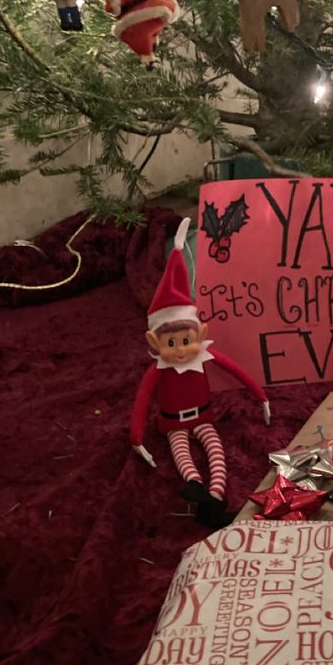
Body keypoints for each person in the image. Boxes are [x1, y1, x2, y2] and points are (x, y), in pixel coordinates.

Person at [130, 218, 270, 527]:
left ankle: (216, 499)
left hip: (204, 417)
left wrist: (261, 398)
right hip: (173, 423)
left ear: (200, 333)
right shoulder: (159, 368)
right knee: (181, 451)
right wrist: (137, 438)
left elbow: (239, 373)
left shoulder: (206, 355)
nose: (179, 350)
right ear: (154, 341)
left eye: (185, 341)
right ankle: (194, 484)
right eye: (171, 342)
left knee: (215, 448)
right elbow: (142, 402)